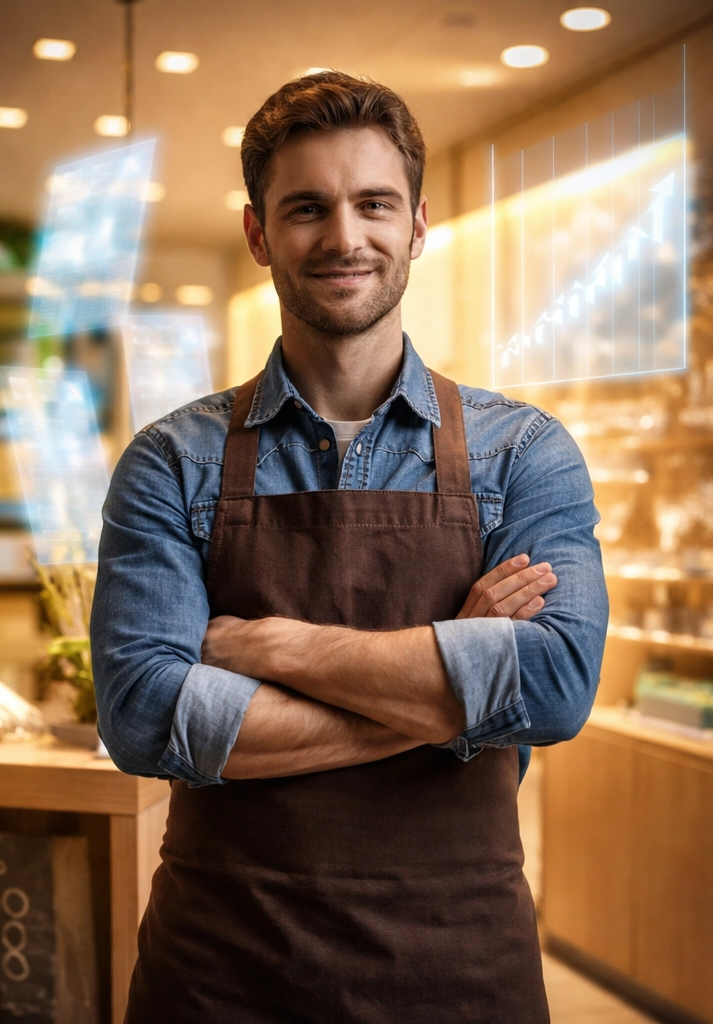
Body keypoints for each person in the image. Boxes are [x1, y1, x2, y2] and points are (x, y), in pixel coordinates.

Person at [91, 71, 606, 1022]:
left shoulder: (524, 452)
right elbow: (144, 716)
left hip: (460, 968)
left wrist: (266, 647)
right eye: (306, 208)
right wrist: (456, 687)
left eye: (374, 204)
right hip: (220, 971)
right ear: (259, 234)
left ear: (416, 226)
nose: (344, 237)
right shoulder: (172, 461)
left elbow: (556, 684)